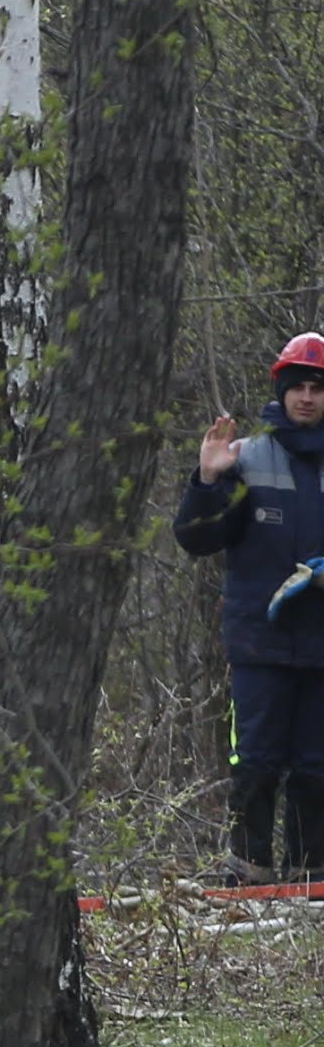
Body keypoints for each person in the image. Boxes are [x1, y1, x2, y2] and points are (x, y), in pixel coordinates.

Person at [178, 333, 324, 875]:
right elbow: (197, 539)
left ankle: (311, 880)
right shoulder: (246, 457)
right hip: (259, 645)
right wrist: (207, 478)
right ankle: (248, 873)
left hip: (321, 647)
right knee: (255, 760)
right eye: (298, 387)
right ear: (281, 391)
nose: (306, 397)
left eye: (317, 389)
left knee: (316, 767)